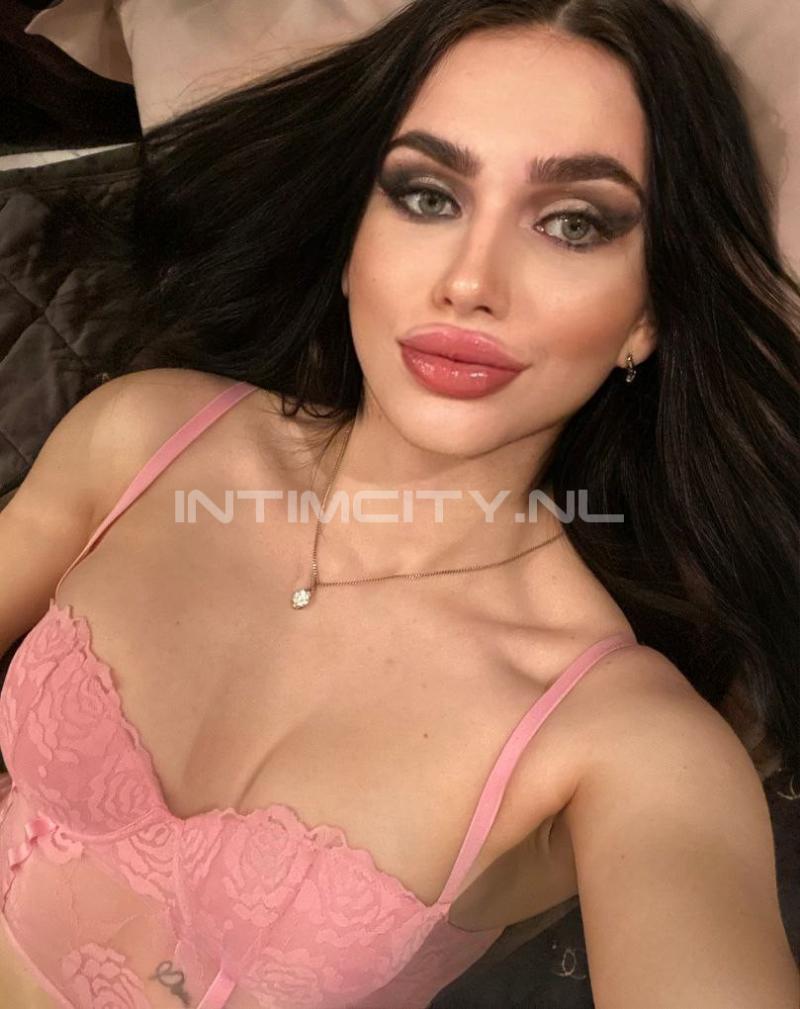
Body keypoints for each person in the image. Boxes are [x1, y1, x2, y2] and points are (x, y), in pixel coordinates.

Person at [0, 0, 798, 1007]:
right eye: (427, 196)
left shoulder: (625, 740)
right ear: (351, 242)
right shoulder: (140, 437)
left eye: (571, 223)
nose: (470, 282)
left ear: (647, 314)